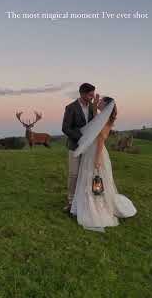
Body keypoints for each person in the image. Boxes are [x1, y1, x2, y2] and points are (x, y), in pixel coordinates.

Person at [70, 96, 137, 232]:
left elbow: (100, 140)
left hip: (97, 153)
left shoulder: (105, 121)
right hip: (92, 152)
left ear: (106, 106)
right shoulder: (102, 118)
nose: (98, 102)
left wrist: (97, 159)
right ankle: (85, 202)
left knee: (95, 179)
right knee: (90, 179)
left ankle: (96, 207)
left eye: (101, 102)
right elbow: (95, 118)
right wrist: (94, 105)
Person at [61, 83, 98, 213]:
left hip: (89, 148)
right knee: (74, 174)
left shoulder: (93, 108)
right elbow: (65, 128)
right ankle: (71, 202)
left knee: (86, 174)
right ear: (82, 94)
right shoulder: (71, 108)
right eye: (90, 94)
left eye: (93, 94)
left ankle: (83, 200)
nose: (92, 97)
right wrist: (81, 138)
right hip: (75, 146)